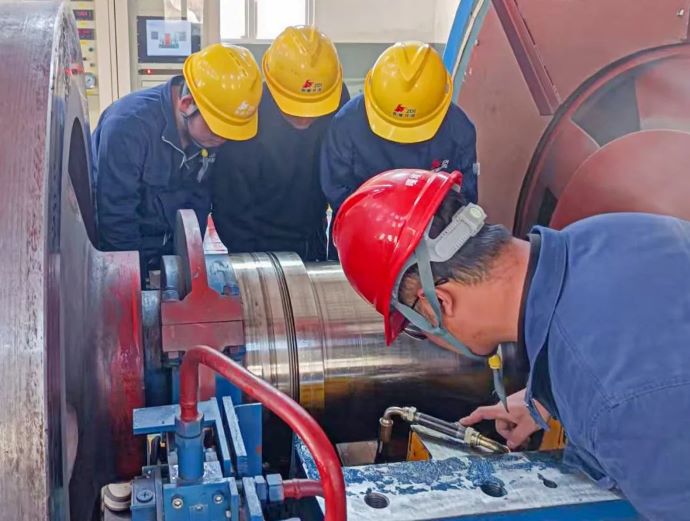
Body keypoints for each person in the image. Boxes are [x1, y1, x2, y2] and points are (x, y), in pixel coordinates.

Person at [332, 168, 690, 520]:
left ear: (439, 303)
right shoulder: (606, 231)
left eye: (416, 327)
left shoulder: (616, 404)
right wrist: (551, 397)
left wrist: (586, 395)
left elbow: (636, 392)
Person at [92, 43, 262, 281]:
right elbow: (116, 219)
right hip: (120, 257)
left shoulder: (206, 134)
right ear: (186, 104)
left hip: (171, 258)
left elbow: (199, 204)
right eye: (217, 128)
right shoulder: (128, 127)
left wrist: (185, 275)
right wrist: (135, 285)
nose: (223, 139)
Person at [320, 41, 478, 258]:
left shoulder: (458, 131)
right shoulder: (347, 125)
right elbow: (338, 192)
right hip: (360, 241)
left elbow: (464, 200)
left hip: (432, 248)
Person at [212, 26, 349, 261]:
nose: (305, 118)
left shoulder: (334, 98)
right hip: (256, 245)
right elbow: (230, 207)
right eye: (295, 108)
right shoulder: (248, 114)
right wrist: (253, 266)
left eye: (314, 108)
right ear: (273, 87)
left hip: (311, 237)